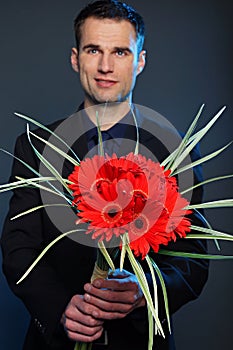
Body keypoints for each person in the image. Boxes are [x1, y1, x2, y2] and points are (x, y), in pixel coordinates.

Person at [1, 1, 208, 349]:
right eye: (93, 49)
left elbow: (194, 257)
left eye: (121, 52)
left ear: (140, 61)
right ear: (75, 58)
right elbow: (18, 246)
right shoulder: (36, 145)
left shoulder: (177, 151)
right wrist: (60, 311)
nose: (105, 66)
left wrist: (146, 293)